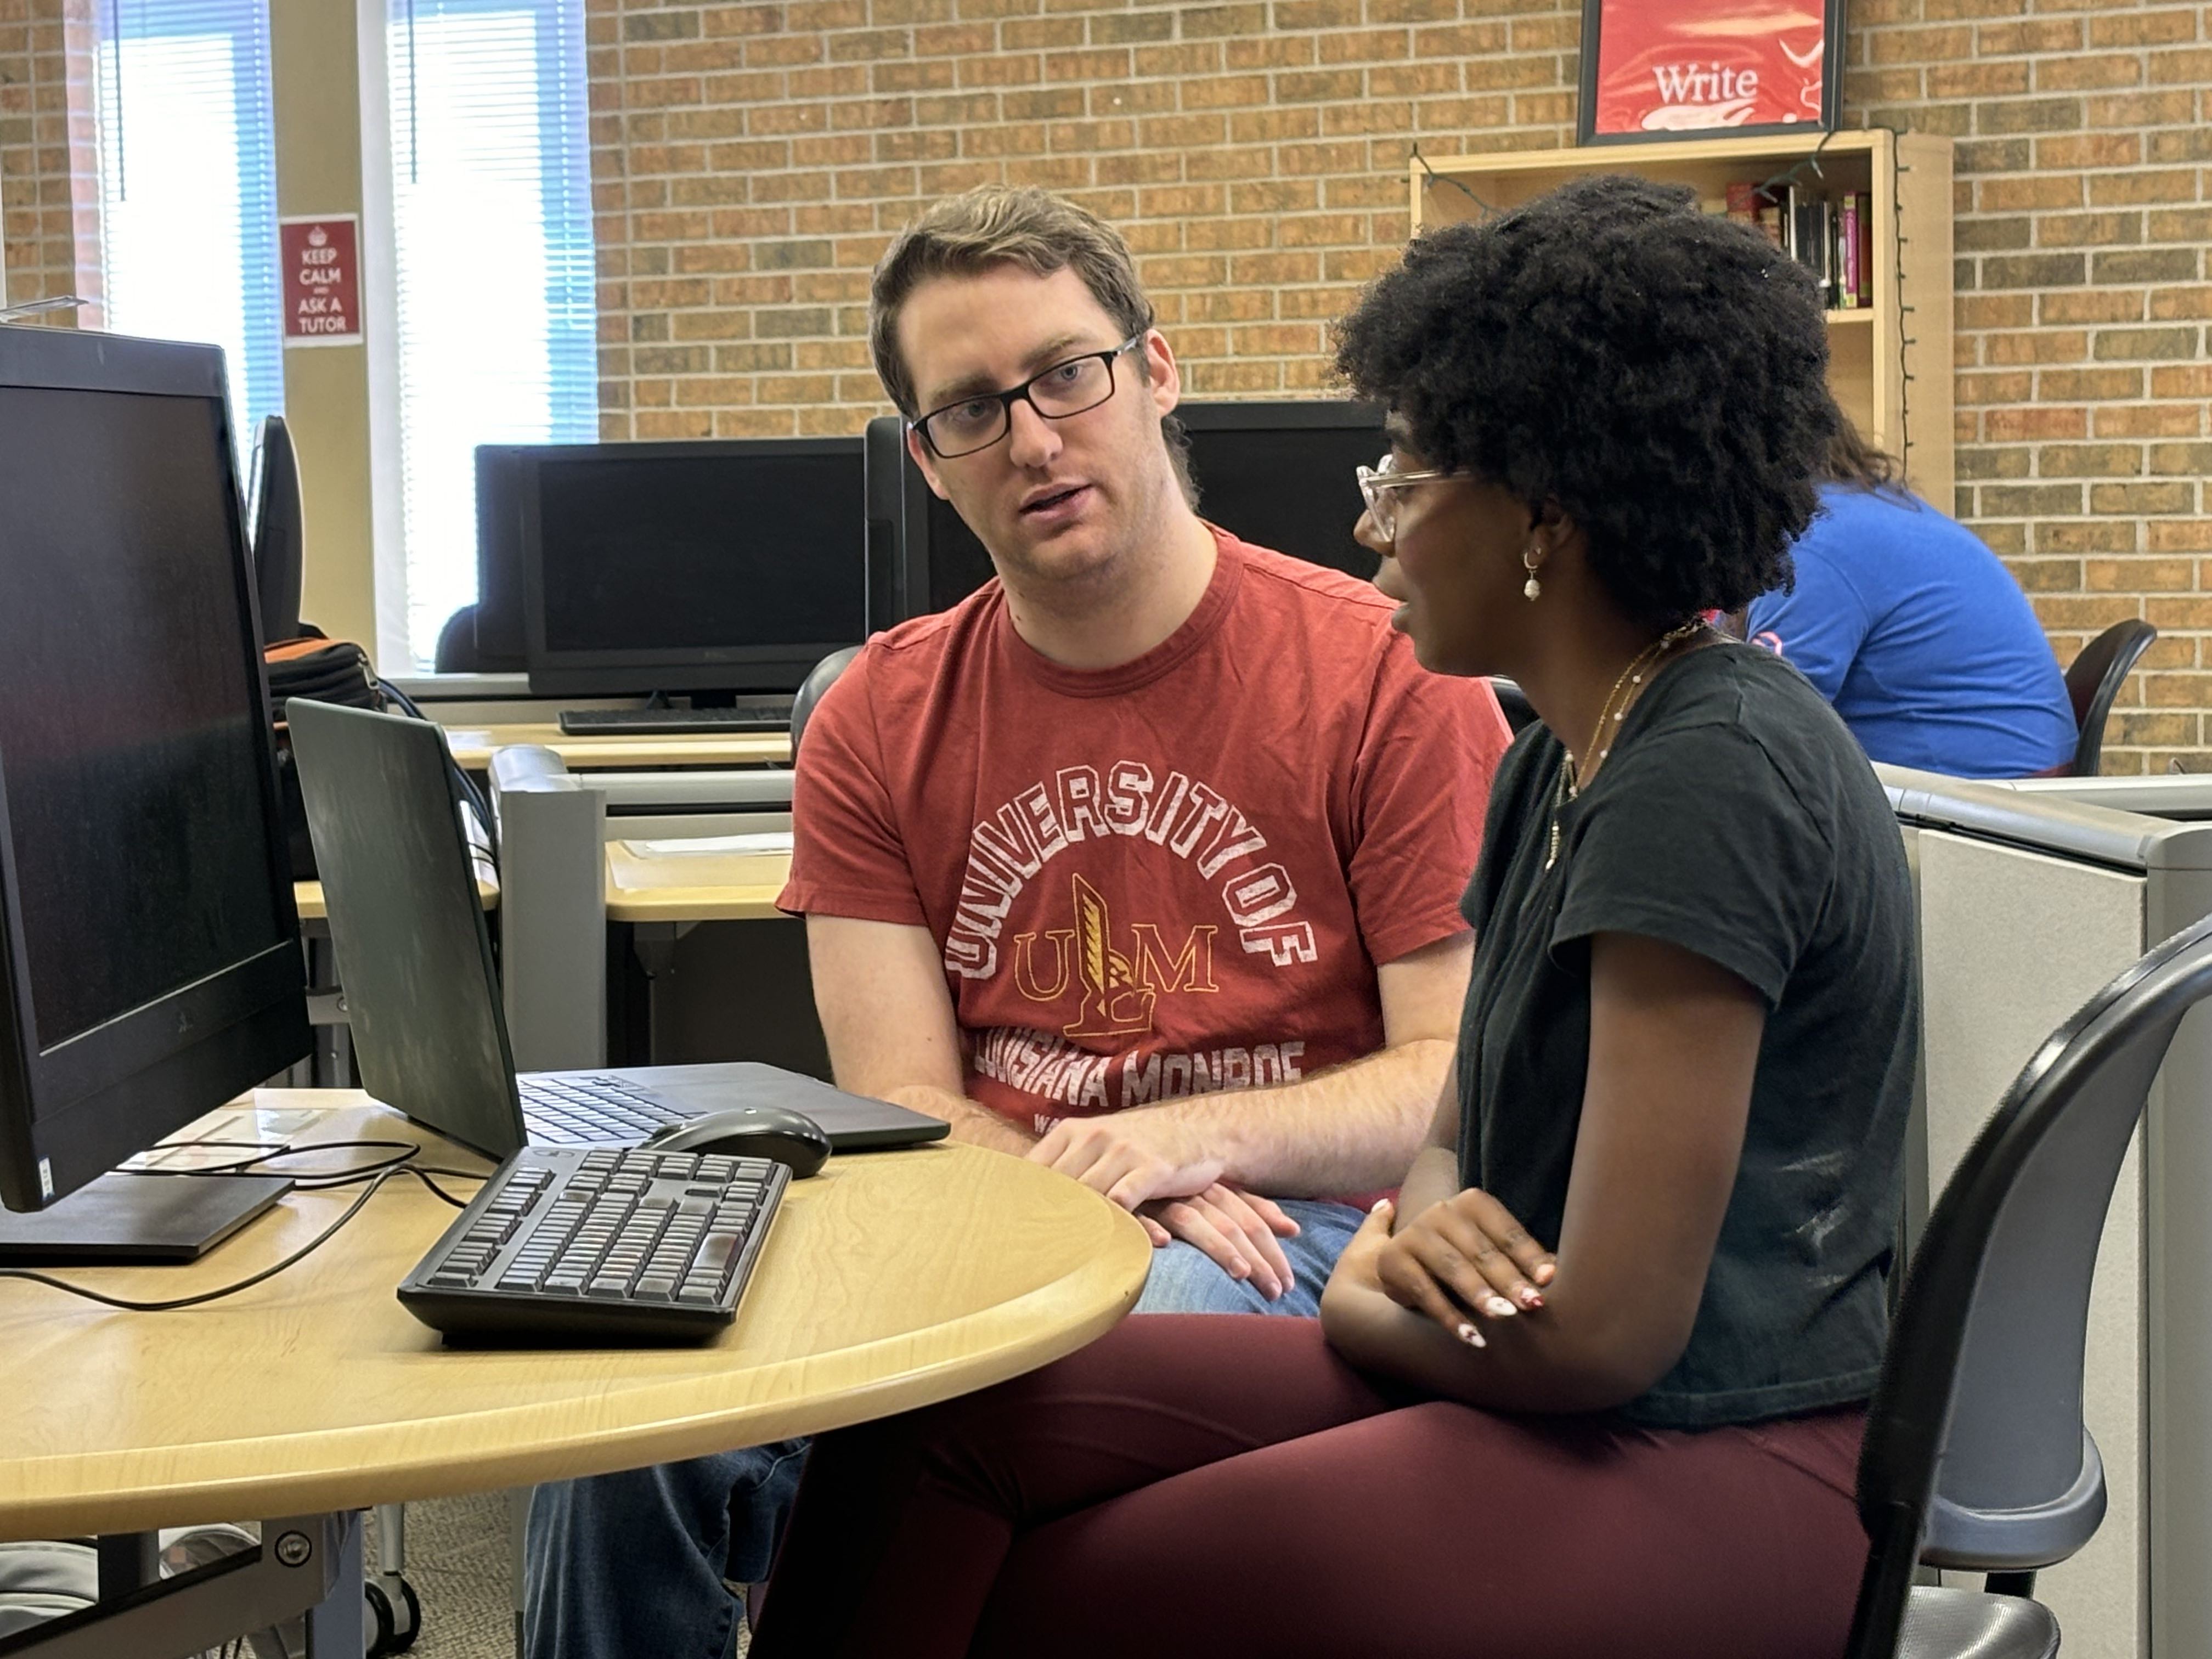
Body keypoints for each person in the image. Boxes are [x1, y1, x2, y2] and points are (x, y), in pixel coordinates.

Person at [747, 173, 1920, 1659]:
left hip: (1712, 1452)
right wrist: (1412, 1229)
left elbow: (1606, 1334)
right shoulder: (1577, 742)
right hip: (1537, 1376)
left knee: (1065, 1586)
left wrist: (1365, 1290)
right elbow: (1456, 1133)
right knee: (920, 1444)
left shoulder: (1708, 777)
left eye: (1405, 480)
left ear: (1540, 515)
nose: (1372, 531)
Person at [523, 187, 1510, 1659]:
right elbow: (902, 1098)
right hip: (993, 1206)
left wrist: (1182, 1146)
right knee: (619, 1413)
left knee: (1121, 1323)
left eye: (1067, 374)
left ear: (1157, 374)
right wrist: (1097, 1177)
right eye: (974, 411)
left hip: (1285, 1227)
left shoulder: (1388, 673)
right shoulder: (875, 715)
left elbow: (1453, 1081)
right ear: (928, 461)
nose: (1036, 440)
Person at [1743, 414, 2076, 778]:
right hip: (2012, 786)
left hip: (1984, 804)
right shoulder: (1862, 507)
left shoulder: (1816, 538)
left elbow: (1759, 736)